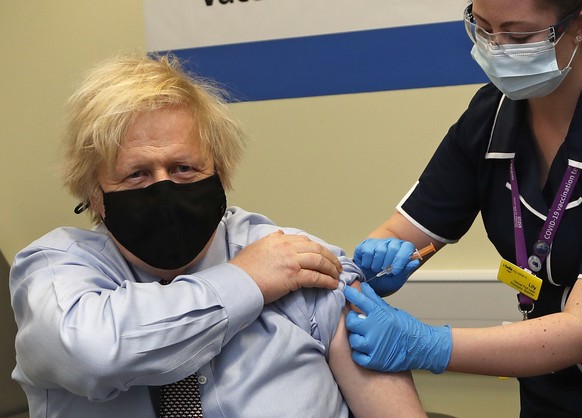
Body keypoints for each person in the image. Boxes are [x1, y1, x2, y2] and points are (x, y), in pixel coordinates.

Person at [8, 53, 426, 418]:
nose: (164, 187)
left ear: (221, 174)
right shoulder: (55, 268)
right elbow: (92, 354)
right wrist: (246, 281)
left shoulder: (296, 256)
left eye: (184, 168)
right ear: (94, 196)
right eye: (137, 174)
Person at [343, 0, 582, 417]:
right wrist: (378, 256)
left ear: (578, 25)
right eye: (483, 28)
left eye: (519, 36)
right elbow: (402, 231)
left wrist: (429, 345)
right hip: (548, 394)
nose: (495, 49)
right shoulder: (490, 118)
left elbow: (578, 331)